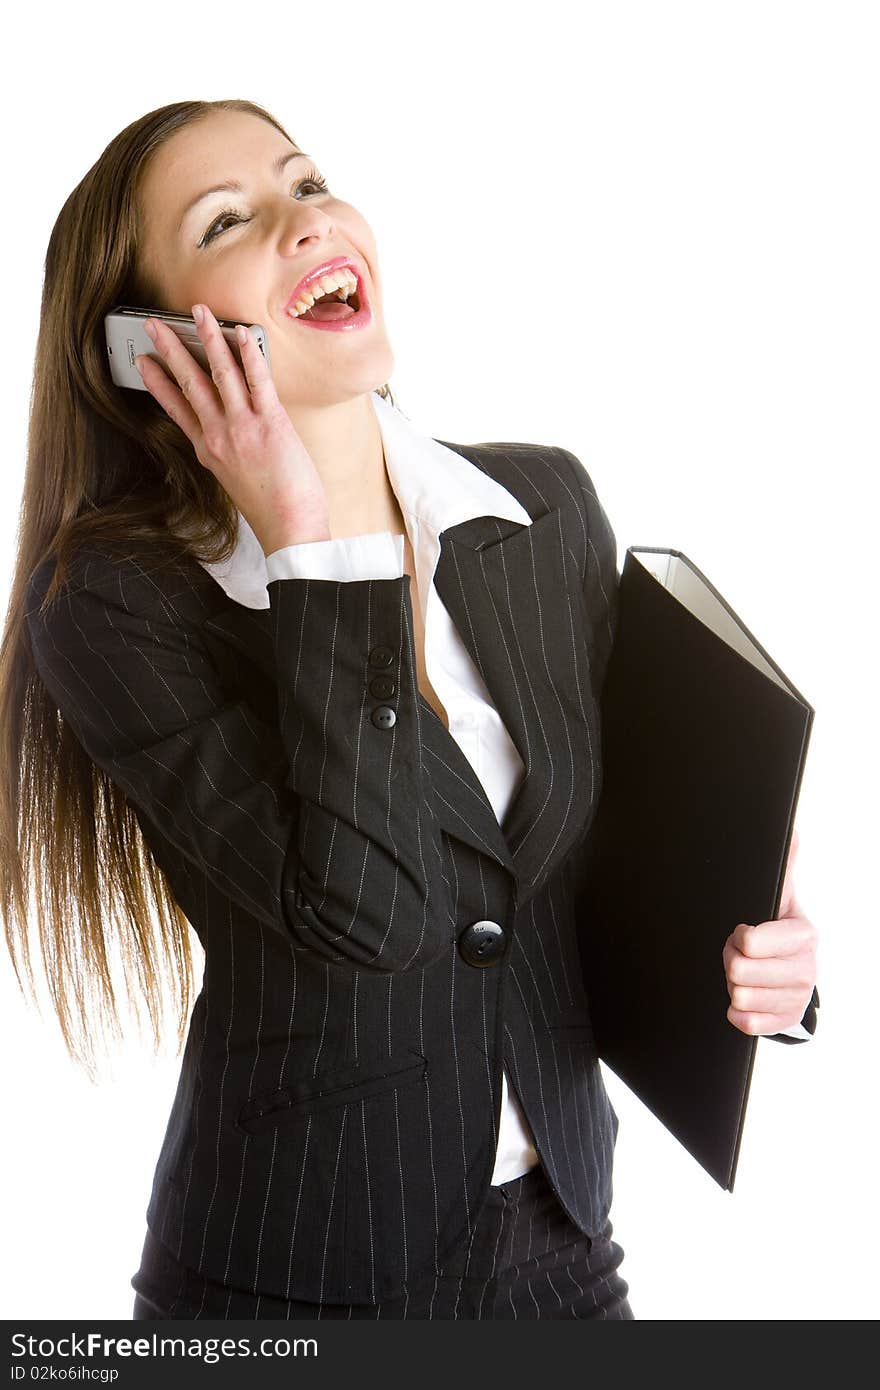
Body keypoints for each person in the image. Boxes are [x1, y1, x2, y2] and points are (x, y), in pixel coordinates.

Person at [0, 99, 820, 1322]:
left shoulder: (543, 511)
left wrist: (761, 952)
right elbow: (366, 912)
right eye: (230, 220)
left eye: (307, 181)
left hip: (563, 1247)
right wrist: (310, 549)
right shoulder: (117, 604)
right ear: (149, 347)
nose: (306, 220)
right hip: (289, 1273)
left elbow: (591, 875)